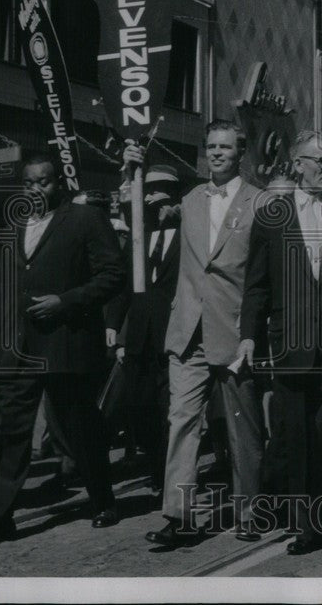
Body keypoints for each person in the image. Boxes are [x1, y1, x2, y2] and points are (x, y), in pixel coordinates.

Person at [0, 154, 125, 548]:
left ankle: (102, 500)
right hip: (19, 348)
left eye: (43, 182)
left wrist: (66, 301)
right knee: (10, 432)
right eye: (29, 182)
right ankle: (0, 518)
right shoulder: (14, 223)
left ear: (59, 184)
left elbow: (113, 274)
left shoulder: (85, 220)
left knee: (79, 428)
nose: (35, 189)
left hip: (65, 342)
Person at [134, 120, 265, 548]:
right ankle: (180, 515)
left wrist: (254, 332)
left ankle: (250, 512)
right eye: (211, 146)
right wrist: (130, 171)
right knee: (182, 423)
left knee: (242, 428)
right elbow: (139, 219)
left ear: (240, 152)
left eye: (225, 147)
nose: (217, 154)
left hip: (233, 330)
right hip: (187, 328)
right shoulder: (191, 199)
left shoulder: (259, 202)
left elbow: (263, 276)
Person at [240, 131, 322, 559]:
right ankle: (308, 527)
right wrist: (248, 337)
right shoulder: (271, 215)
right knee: (296, 438)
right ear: (298, 164)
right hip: (290, 344)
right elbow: (256, 285)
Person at [107, 164, 183, 498]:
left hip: (173, 335)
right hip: (139, 337)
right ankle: (154, 464)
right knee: (142, 409)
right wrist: (113, 324)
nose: (154, 205)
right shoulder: (137, 240)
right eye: (148, 199)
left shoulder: (187, 237)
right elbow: (124, 284)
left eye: (160, 198)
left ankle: (167, 477)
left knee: (170, 409)